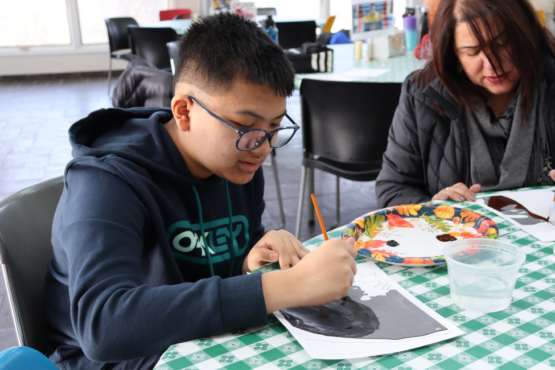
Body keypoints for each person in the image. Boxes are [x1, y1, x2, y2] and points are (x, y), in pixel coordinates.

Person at [44, 13, 357, 370]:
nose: (262, 147)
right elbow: (103, 327)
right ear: (184, 112)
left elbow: (231, 257)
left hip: (201, 342)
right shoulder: (106, 181)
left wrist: (252, 260)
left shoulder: (239, 163)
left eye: (273, 127)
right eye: (244, 126)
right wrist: (283, 286)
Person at [376, 0, 555, 207]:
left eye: (502, 43)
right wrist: (434, 207)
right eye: (472, 51)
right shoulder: (422, 95)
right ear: (454, 54)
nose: (492, 64)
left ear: (525, 33)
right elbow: (394, 189)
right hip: (457, 238)